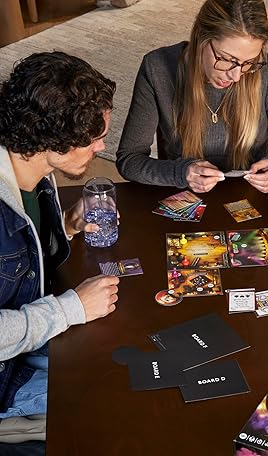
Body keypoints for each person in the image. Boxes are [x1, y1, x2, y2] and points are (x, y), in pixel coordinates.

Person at [0, 51, 120, 455]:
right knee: (118, 402)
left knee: (129, 356)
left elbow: (22, 263)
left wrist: (66, 224)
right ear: (53, 139)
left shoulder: (33, 169)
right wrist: (70, 309)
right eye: (94, 138)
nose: (102, 146)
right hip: (8, 378)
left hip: (29, 342)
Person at [116, 0, 268, 194]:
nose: (236, 76)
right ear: (201, 39)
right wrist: (180, 173)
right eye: (227, 59)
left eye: (249, 62)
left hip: (254, 197)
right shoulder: (156, 68)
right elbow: (129, 160)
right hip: (184, 197)